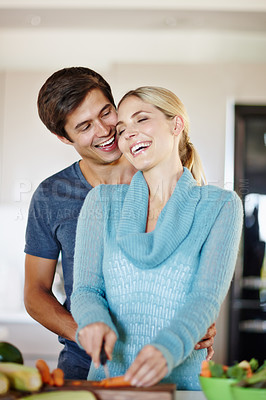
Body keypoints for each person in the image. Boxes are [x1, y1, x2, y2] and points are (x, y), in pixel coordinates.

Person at [24, 68, 216, 380]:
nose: (104, 130)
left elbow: (197, 279)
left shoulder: (171, 184)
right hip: (84, 366)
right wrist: (88, 332)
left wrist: (202, 319)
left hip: (169, 365)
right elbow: (35, 292)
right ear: (64, 137)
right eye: (85, 126)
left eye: (106, 112)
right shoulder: (52, 196)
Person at [71, 86, 243, 390]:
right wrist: (92, 320)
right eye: (122, 129)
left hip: (181, 388)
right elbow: (86, 290)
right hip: (108, 385)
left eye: (142, 120)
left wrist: (168, 348)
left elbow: (205, 298)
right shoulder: (101, 202)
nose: (129, 134)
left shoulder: (221, 206)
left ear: (176, 124)